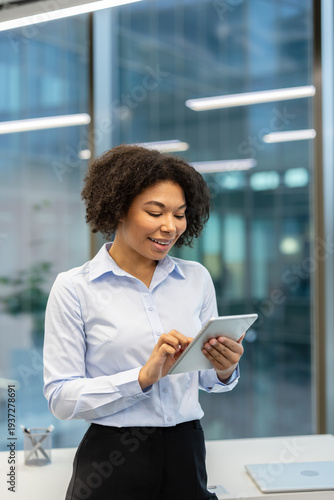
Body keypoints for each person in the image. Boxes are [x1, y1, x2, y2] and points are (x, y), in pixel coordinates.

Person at [43, 144, 244, 500]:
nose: (170, 227)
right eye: (155, 212)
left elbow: (209, 380)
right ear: (118, 209)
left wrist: (224, 369)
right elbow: (61, 397)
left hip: (187, 449)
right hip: (112, 458)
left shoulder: (196, 279)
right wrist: (141, 378)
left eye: (180, 214)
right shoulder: (75, 287)